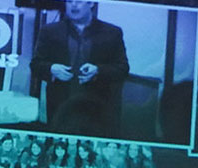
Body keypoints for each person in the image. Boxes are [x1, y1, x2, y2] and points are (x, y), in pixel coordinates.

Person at [30, 1, 129, 137]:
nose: (74, 5)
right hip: (60, 108)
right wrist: (52, 68)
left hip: (97, 108)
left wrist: (98, 70)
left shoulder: (112, 33)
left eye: (79, 1)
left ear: (91, 3)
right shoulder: (49, 31)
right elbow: (35, 65)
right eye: (69, 1)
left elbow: (122, 68)